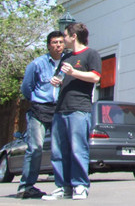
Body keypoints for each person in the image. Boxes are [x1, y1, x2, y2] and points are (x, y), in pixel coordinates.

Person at [43, 23, 101, 201]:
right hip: (61, 109)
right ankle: (63, 187)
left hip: (79, 109)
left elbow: (95, 77)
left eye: (66, 36)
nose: (63, 40)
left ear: (73, 36)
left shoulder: (91, 54)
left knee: (78, 149)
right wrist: (57, 80)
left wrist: (75, 72)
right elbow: (61, 76)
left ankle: (80, 186)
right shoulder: (66, 57)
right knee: (58, 151)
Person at [16, 31, 65, 199]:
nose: (58, 45)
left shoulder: (68, 63)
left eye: (60, 41)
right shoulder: (37, 64)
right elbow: (26, 88)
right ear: (48, 45)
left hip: (59, 109)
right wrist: (37, 100)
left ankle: (63, 186)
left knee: (60, 148)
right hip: (39, 109)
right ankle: (26, 186)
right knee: (35, 148)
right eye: (54, 42)